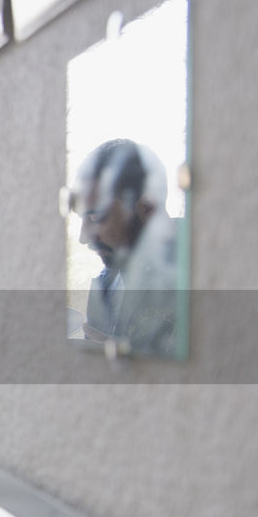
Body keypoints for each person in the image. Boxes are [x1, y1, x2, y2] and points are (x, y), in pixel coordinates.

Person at [72, 138, 180, 356]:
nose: (83, 238)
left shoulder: (197, 271)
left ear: (148, 208)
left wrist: (129, 360)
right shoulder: (105, 284)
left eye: (97, 218)